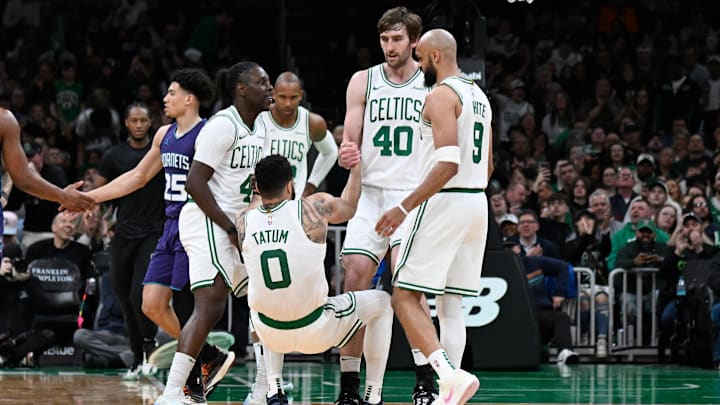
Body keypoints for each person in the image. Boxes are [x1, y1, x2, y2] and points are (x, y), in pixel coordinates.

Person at [86, 70, 229, 400]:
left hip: (194, 226)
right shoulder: (164, 134)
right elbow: (137, 176)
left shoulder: (208, 133)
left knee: (182, 305)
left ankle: (191, 378)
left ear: (189, 99)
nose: (165, 98)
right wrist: (91, 197)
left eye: (172, 92)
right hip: (168, 226)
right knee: (149, 303)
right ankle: (208, 355)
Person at [374, 28, 490, 405]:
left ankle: (447, 374)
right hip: (477, 203)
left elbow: (448, 164)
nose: (418, 64)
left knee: (403, 296)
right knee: (452, 305)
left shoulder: (441, 95)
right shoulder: (480, 96)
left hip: (446, 202)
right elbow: (487, 165)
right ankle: (450, 395)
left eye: (421, 57)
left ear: (436, 56)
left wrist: (403, 206)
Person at [155, 61, 273, 404]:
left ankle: (264, 389)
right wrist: (228, 226)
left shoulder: (261, 127)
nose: (268, 88)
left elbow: (255, 186)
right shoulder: (223, 126)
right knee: (210, 304)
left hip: (235, 223)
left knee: (263, 302)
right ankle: (173, 393)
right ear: (241, 88)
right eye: (261, 82)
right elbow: (194, 183)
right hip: (206, 220)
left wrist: (252, 217)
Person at [240, 154, 392, 405]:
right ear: (290, 185)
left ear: (256, 186)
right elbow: (350, 207)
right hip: (317, 330)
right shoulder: (313, 208)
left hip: (271, 335)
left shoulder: (243, 220)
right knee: (384, 303)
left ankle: (274, 389)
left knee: (262, 299)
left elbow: (262, 207)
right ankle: (372, 395)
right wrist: (355, 170)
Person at [337, 7, 432, 403]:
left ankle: (425, 380)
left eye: (397, 39)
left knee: (407, 287)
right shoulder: (363, 80)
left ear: (414, 41)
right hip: (371, 194)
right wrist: (347, 150)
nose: (389, 47)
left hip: (411, 196)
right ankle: (349, 387)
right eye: (384, 39)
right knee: (355, 279)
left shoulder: (432, 83)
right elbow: (352, 133)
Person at [89, 102, 165, 378]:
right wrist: (93, 216)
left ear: (149, 122)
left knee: (138, 295)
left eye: (144, 120)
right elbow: (101, 191)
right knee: (123, 297)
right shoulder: (113, 156)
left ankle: (149, 349)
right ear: (125, 123)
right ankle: (136, 357)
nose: (139, 125)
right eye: (134, 120)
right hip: (122, 233)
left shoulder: (158, 153)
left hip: (154, 232)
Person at [258, 71, 338, 197]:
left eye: (293, 97)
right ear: (273, 94)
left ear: (301, 95)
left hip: (293, 205)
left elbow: (331, 152)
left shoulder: (312, 122)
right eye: (283, 97)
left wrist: (311, 185)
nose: (288, 103)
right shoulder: (259, 118)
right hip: (261, 201)